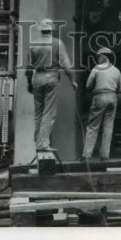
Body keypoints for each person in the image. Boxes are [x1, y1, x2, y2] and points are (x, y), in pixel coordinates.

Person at [26, 18, 77, 153]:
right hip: (51, 77)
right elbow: (66, 65)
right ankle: (42, 144)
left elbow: (28, 67)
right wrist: (72, 80)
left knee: (38, 113)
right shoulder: (57, 43)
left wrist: (29, 83)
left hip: (37, 78)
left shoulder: (33, 44)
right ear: (52, 29)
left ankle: (37, 141)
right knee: (49, 112)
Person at [82, 47, 121, 161]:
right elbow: (120, 89)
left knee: (92, 126)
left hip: (99, 96)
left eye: (98, 57)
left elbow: (88, 85)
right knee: (108, 127)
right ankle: (105, 155)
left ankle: (87, 155)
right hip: (112, 97)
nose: (97, 59)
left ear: (103, 57)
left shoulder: (97, 69)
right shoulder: (116, 70)